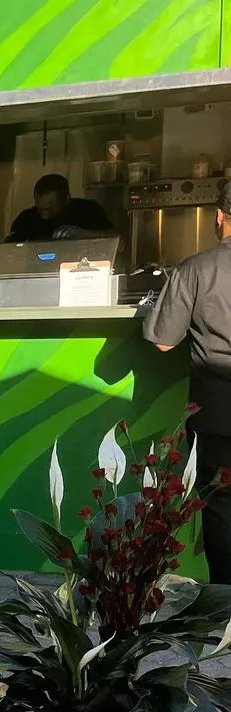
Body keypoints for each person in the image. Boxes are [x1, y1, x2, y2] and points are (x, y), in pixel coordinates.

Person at [143, 180, 231, 583]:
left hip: (217, 414)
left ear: (218, 217)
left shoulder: (196, 269)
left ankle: (225, 605)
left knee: (221, 509)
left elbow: (162, 341)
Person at [6, 173, 115, 242]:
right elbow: (8, 249)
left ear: (66, 199)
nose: (44, 216)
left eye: (50, 209)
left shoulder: (88, 210)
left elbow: (118, 242)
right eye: (40, 209)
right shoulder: (26, 218)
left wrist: (84, 234)